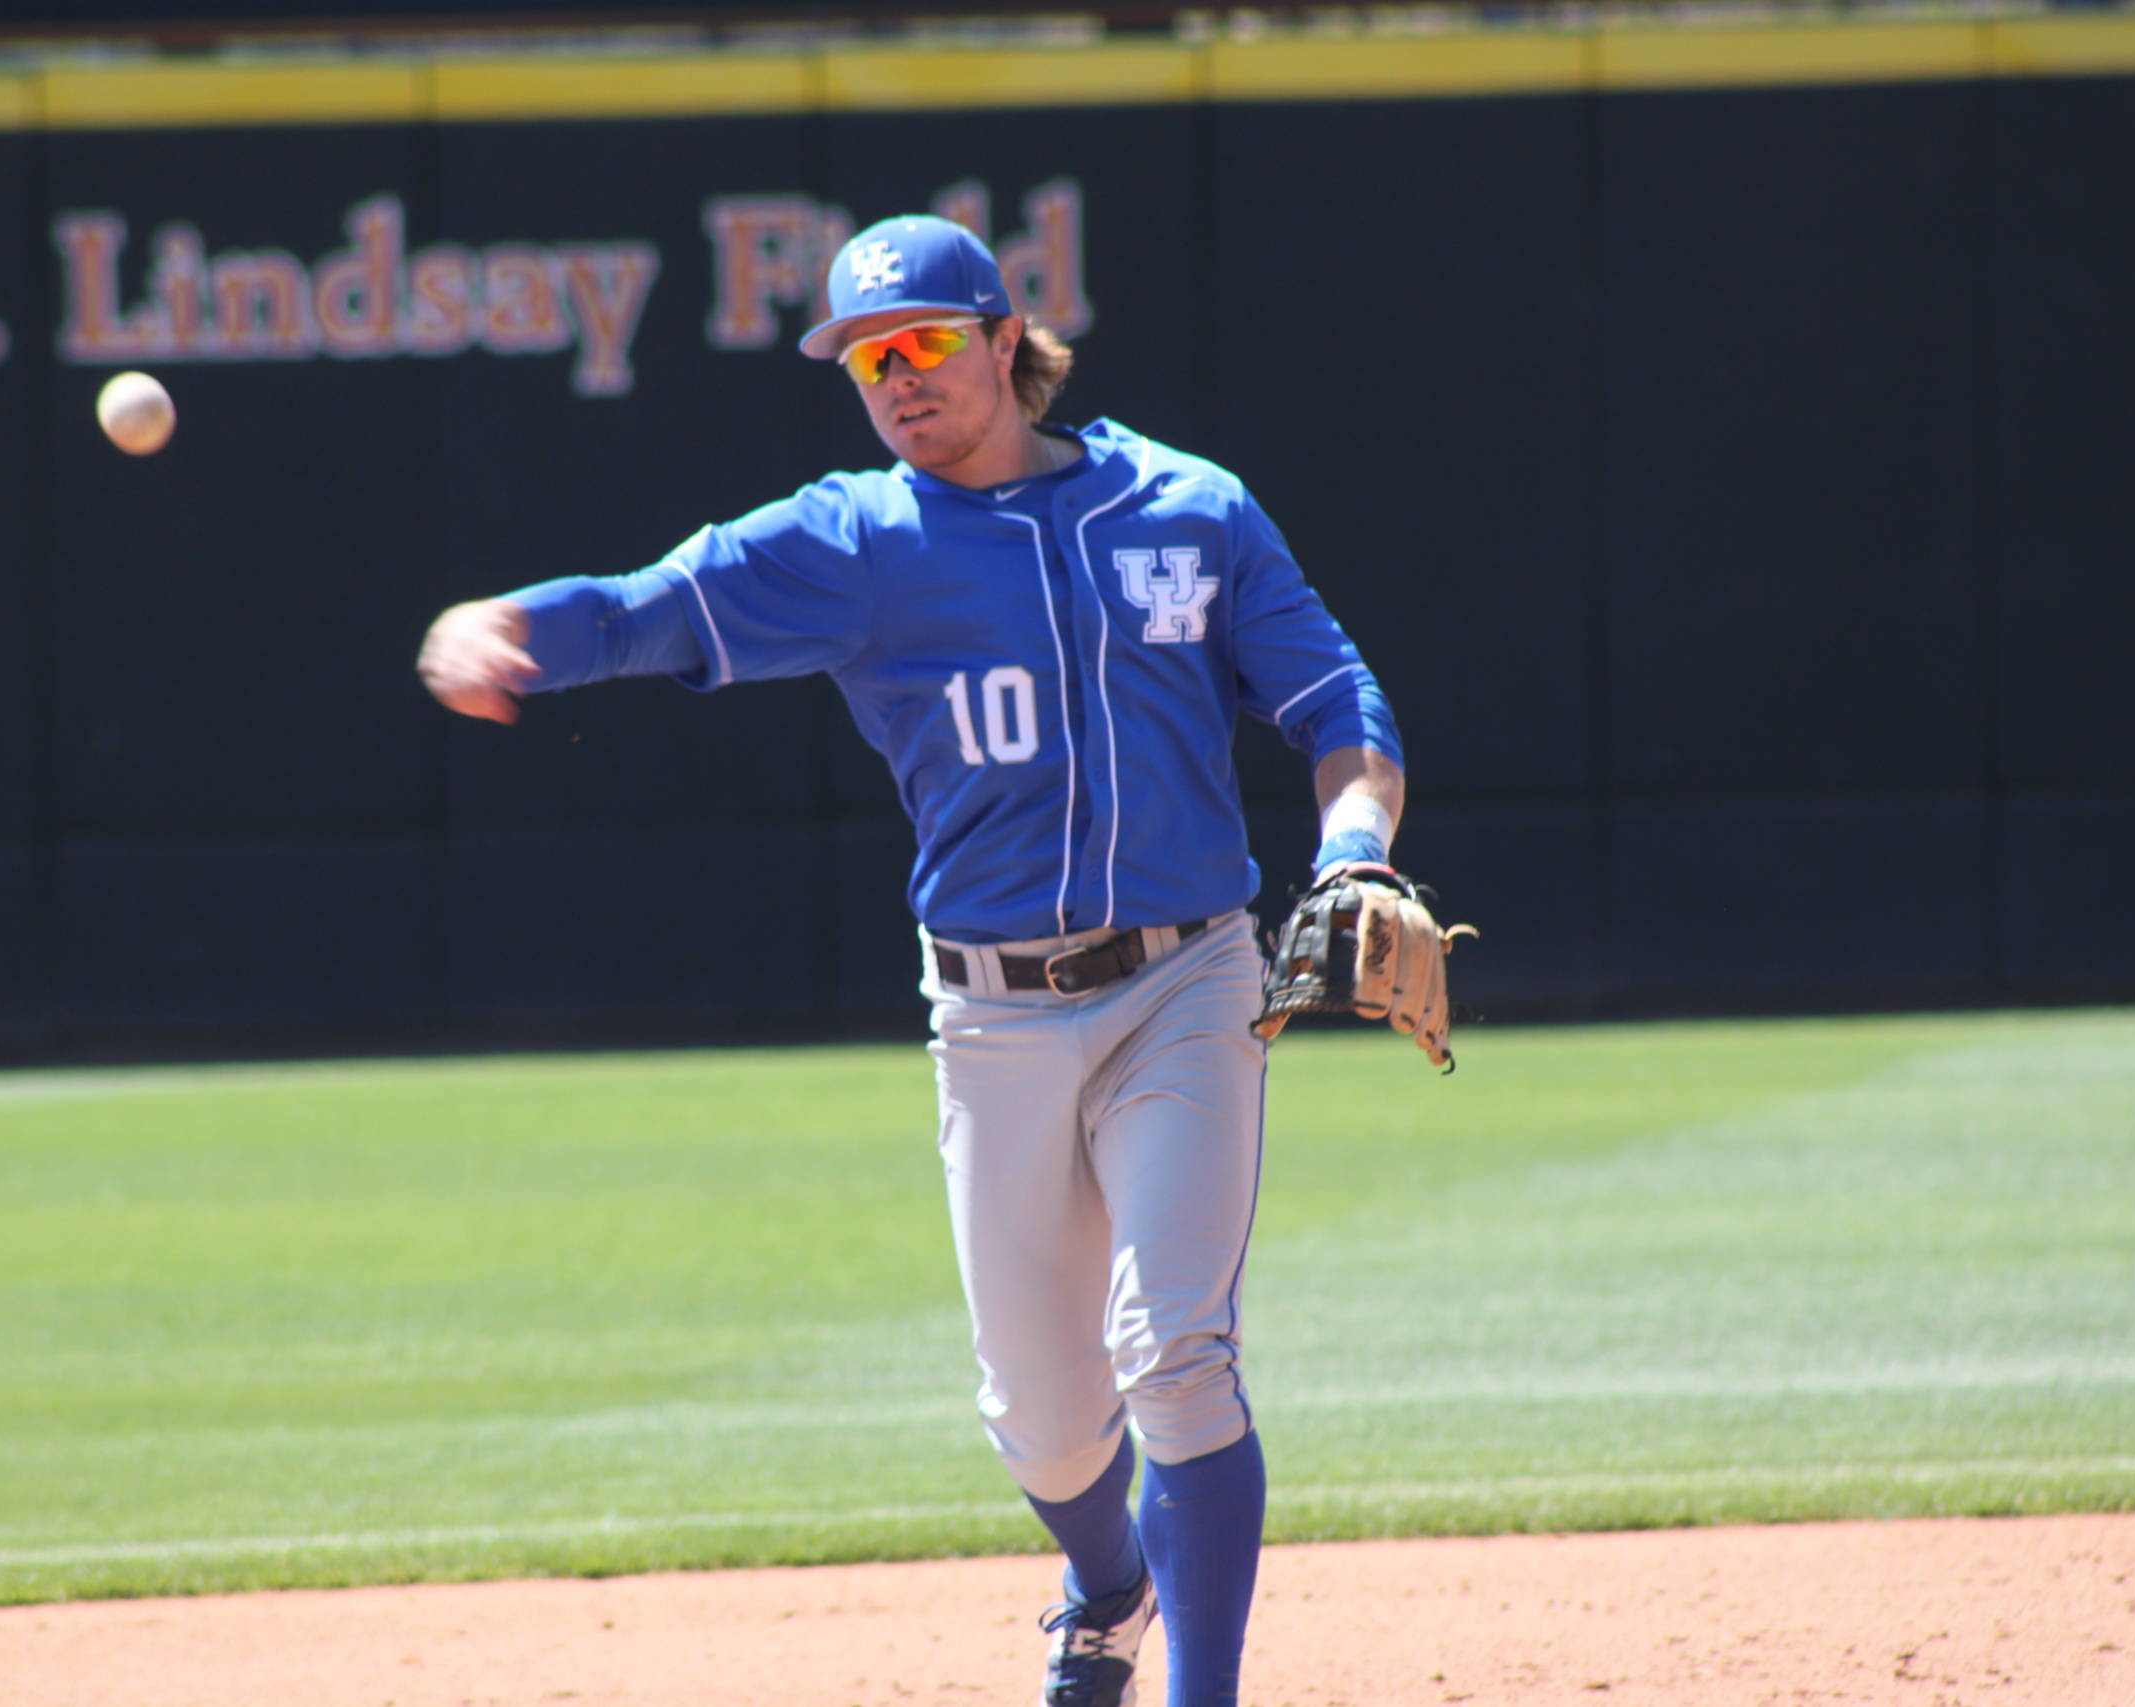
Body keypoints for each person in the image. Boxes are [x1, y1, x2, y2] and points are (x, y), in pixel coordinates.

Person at [417, 214, 1407, 1707]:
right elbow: (646, 610)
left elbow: (1335, 695)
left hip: (1189, 983)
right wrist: (506, 627)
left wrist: (1354, 848)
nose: (897, 377)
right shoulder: (854, 541)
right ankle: (1107, 1582)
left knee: (1175, 1353)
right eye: (868, 356)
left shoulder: (1187, 508)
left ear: (1008, 341)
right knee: (1045, 1426)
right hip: (993, 1016)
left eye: (926, 342)